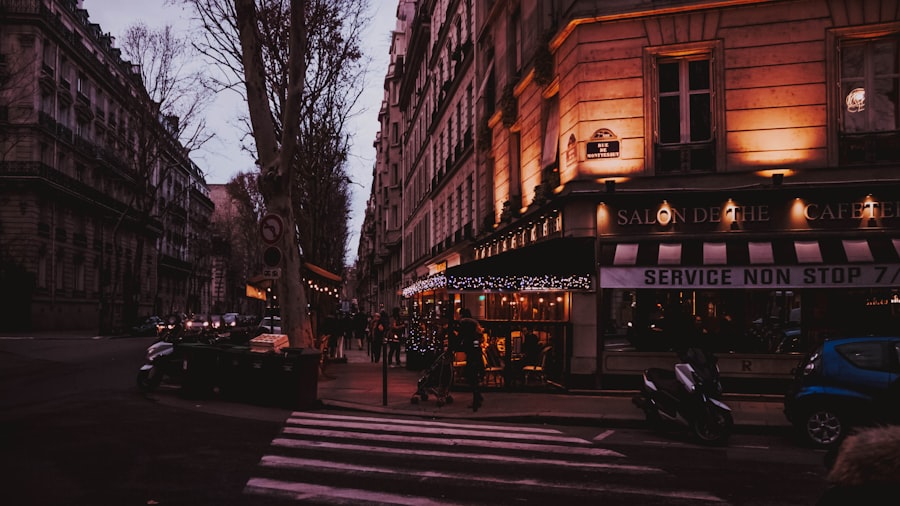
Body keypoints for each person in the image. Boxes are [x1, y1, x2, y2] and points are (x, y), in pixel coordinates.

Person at [458, 307, 485, 411]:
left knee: (471, 376)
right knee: (474, 376)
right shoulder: (475, 324)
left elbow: (461, 337)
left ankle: (476, 400)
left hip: (471, 353)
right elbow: (479, 338)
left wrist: (458, 345)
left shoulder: (464, 323)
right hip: (476, 353)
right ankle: (478, 396)